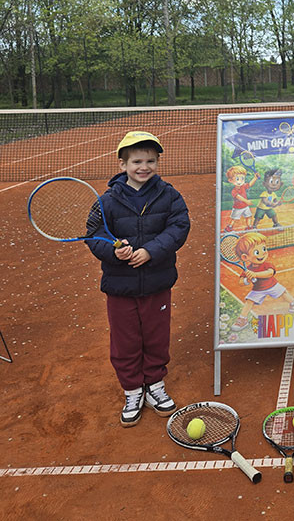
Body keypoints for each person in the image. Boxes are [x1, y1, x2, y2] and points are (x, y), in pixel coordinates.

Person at [86, 131, 190, 427]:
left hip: (158, 283)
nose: (144, 167)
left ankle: (155, 385)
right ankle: (132, 390)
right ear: (123, 165)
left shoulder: (169, 195)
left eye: (150, 161)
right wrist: (113, 252)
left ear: (157, 162)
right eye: (136, 162)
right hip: (120, 287)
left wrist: (150, 251)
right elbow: (93, 235)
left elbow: (179, 226)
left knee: (157, 337)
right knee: (125, 341)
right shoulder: (106, 201)